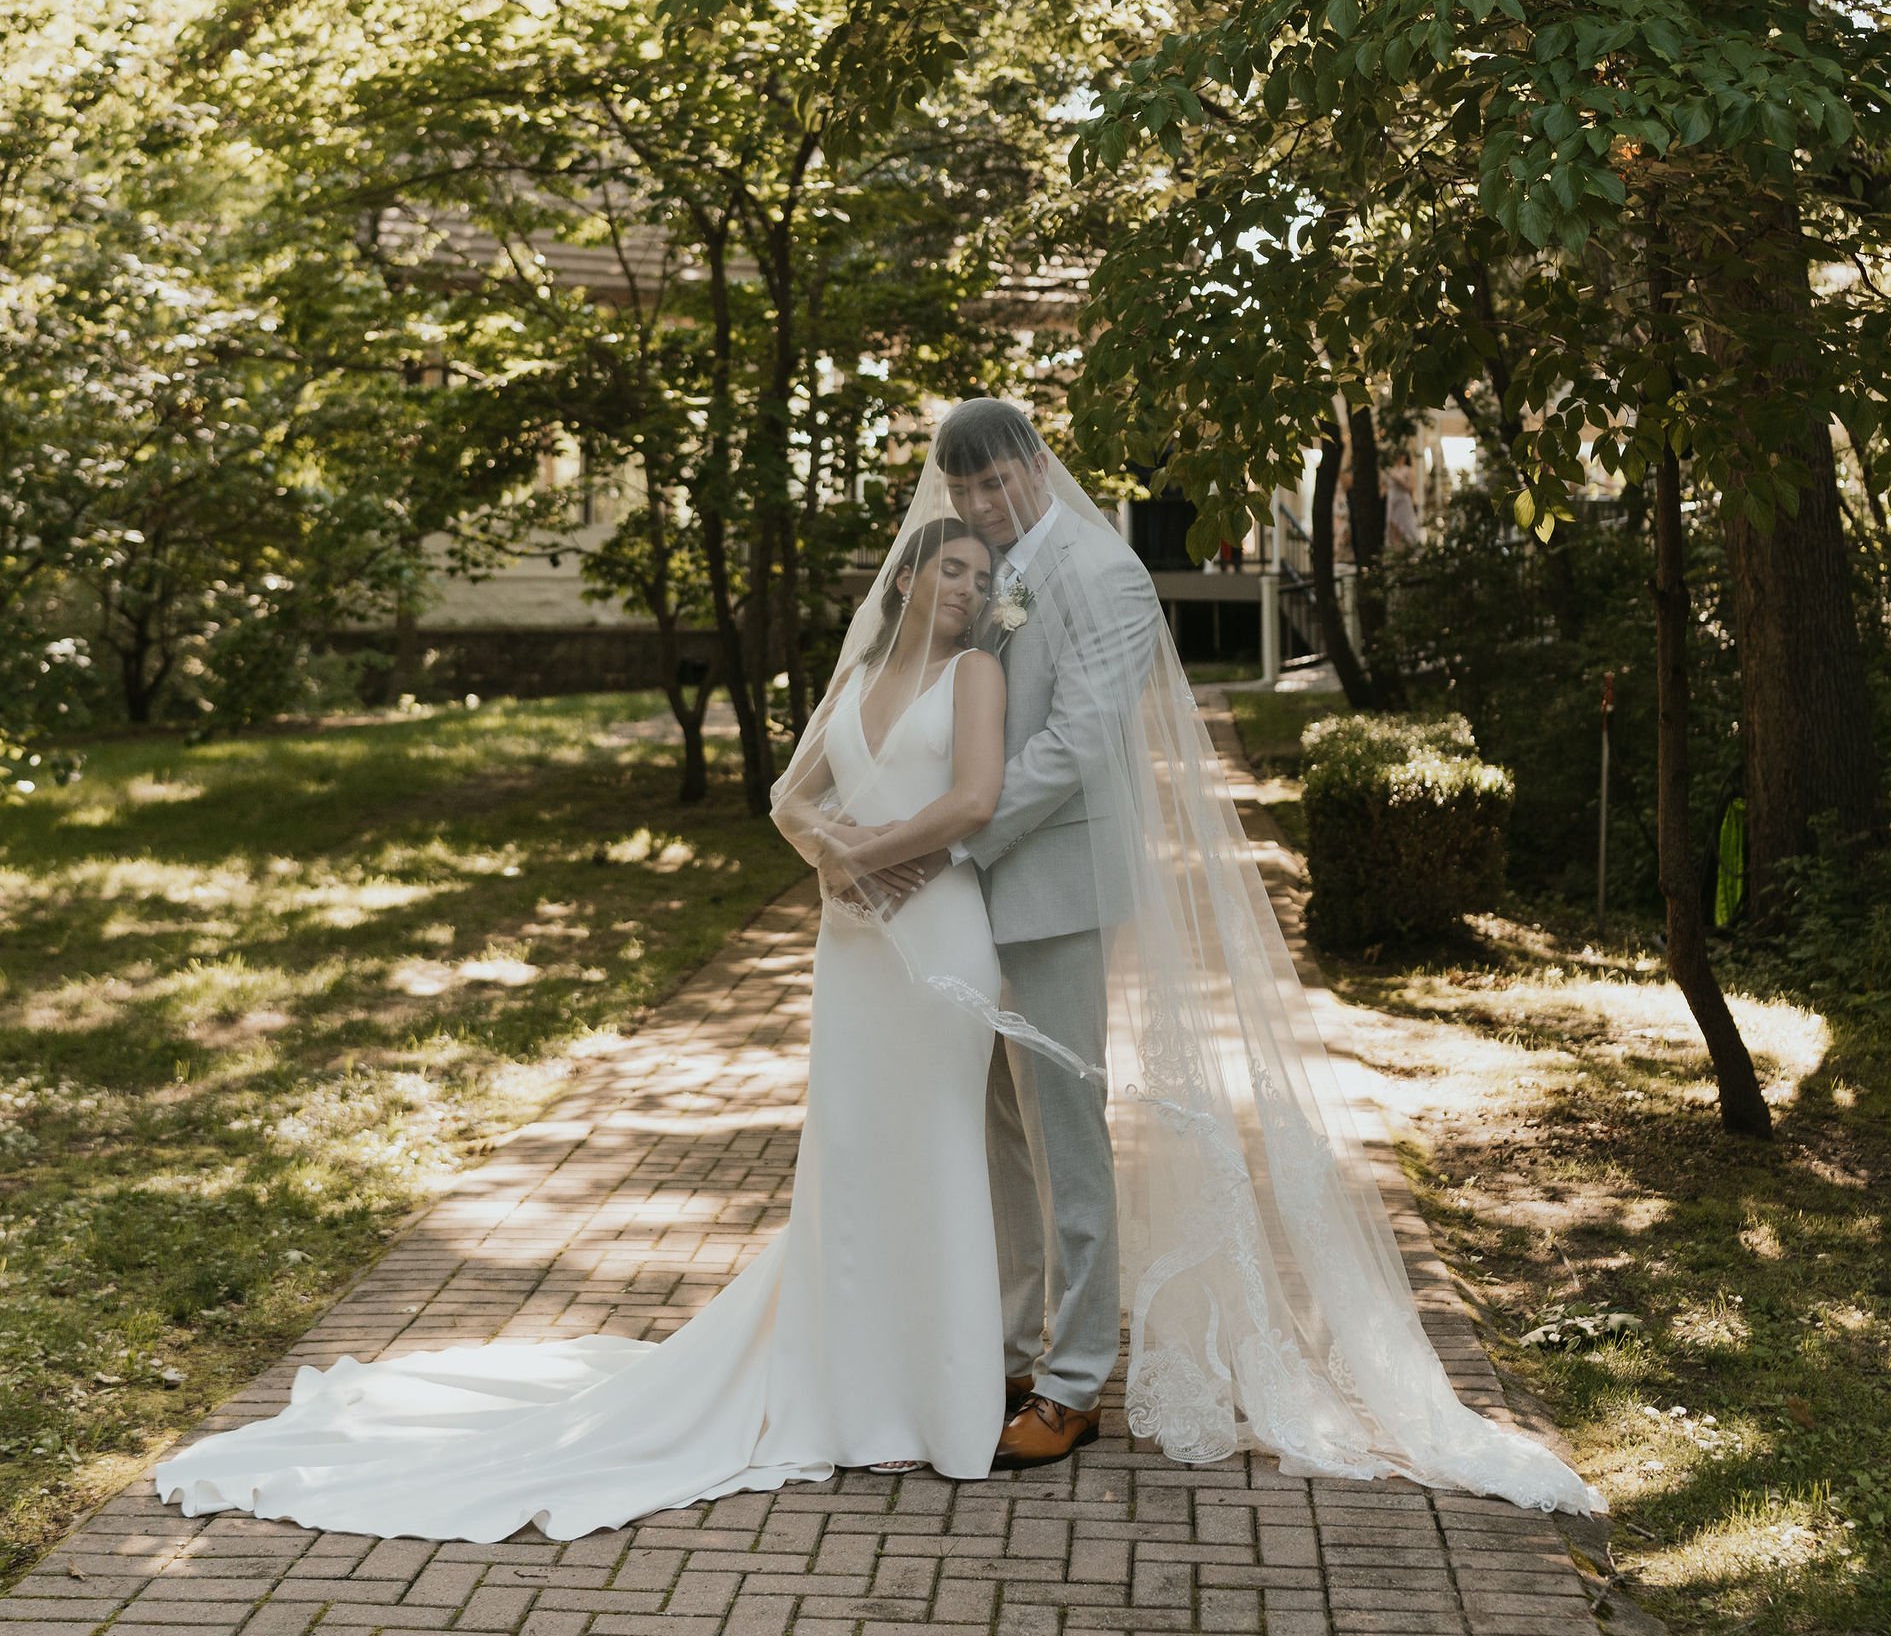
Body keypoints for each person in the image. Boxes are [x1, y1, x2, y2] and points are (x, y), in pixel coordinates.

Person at [155, 514, 1013, 1540]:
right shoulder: (855, 674)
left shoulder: (972, 678)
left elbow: (971, 800)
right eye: (948, 567)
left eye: (980, 574)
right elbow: (788, 797)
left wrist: (868, 854)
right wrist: (834, 857)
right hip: (854, 948)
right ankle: (857, 1393)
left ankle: (943, 1400)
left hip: (936, 945)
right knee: (855, 1160)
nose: (964, 586)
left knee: (938, 1155)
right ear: (907, 575)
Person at [933, 396, 1160, 1469]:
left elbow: (1074, 742)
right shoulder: (999, 569)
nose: (982, 504)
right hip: (977, 889)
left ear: (1032, 462)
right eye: (963, 491)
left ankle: (1075, 1380)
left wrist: (956, 836)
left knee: (1066, 1129)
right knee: (998, 1131)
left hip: (1054, 883)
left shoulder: (1106, 571)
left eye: (993, 482)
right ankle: (1014, 1345)